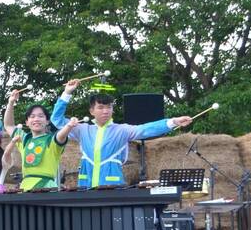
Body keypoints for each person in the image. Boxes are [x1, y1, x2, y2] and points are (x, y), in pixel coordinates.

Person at [51, 79, 194, 187]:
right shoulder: (82, 129)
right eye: (101, 107)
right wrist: (67, 93)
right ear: (91, 111)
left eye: (109, 107)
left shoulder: (122, 130)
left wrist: (173, 122)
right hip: (85, 187)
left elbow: (145, 129)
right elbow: (56, 120)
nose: (106, 111)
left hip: (112, 188)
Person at [3, 90, 78, 191]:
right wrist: (11, 102)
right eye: (32, 117)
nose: (36, 119)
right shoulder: (24, 139)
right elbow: (8, 125)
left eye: (40, 116)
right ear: (27, 122)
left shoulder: (51, 140)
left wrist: (68, 126)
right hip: (25, 188)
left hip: (47, 188)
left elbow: (60, 135)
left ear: (47, 121)